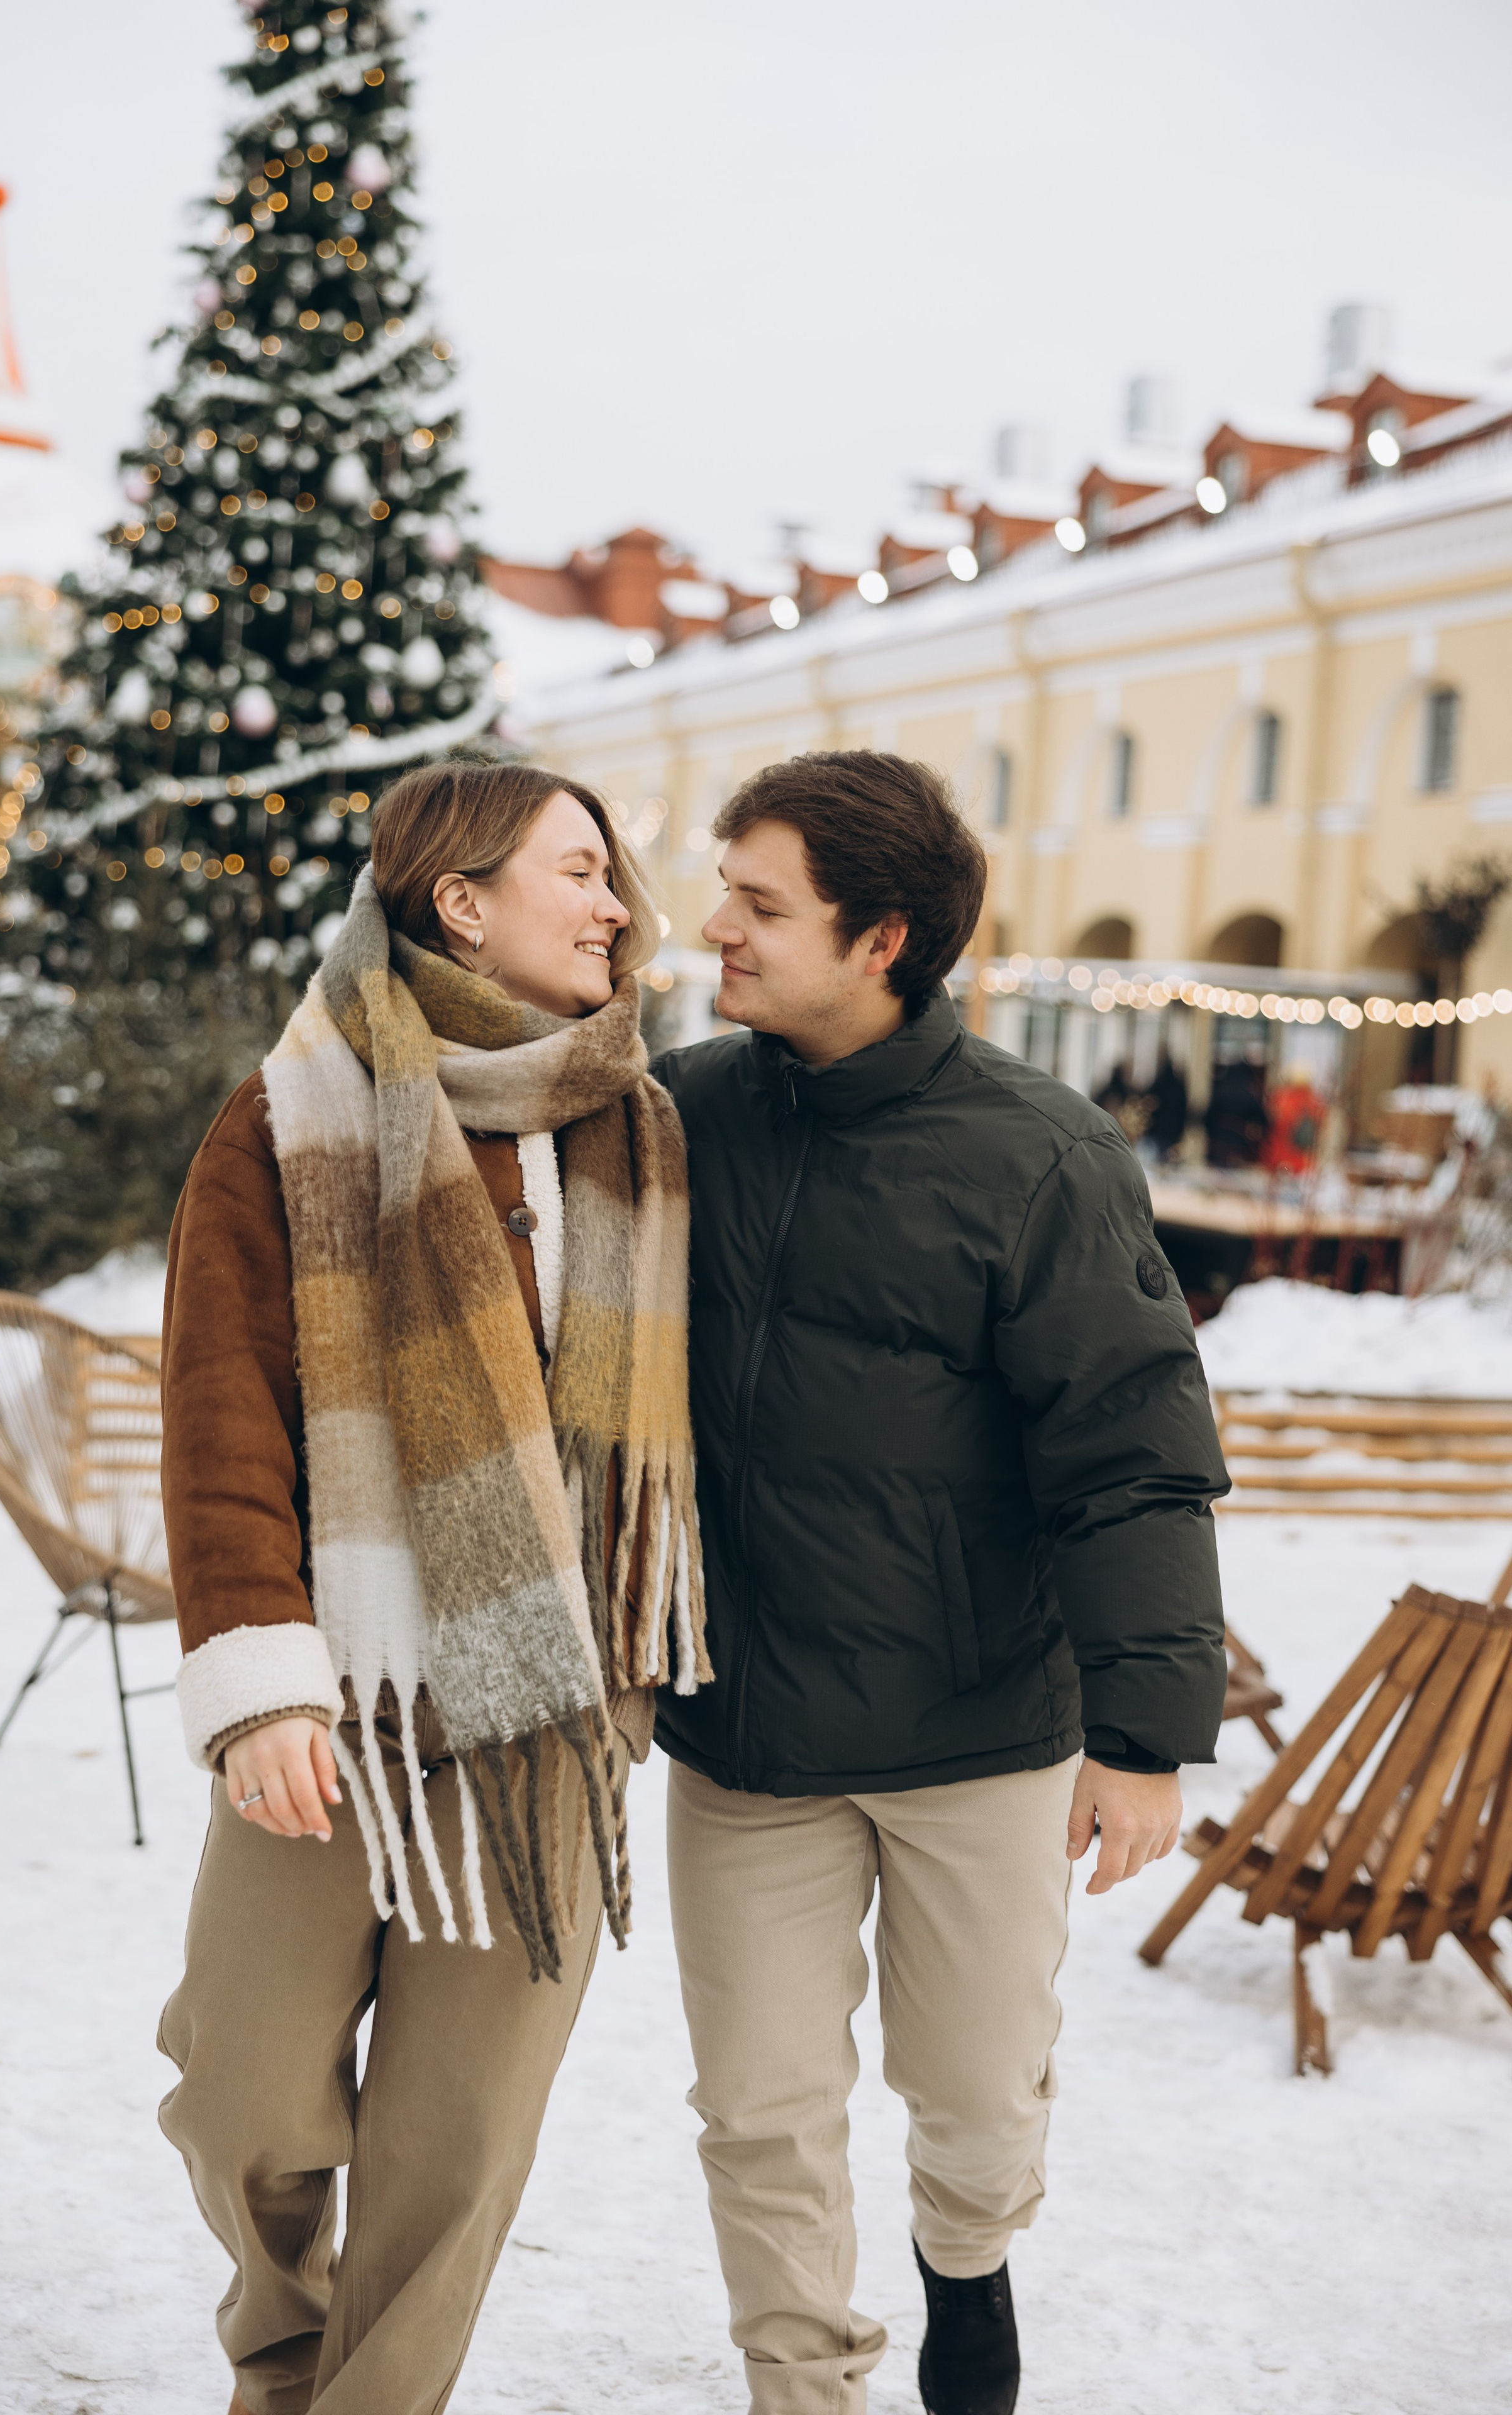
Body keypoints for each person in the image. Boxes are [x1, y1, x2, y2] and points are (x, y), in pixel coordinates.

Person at [650, 751, 1228, 2415]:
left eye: (759, 904)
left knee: (974, 2091)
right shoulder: (680, 1117)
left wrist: (1144, 1736)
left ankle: (968, 2262)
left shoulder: (1041, 1156)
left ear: (880, 939)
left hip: (975, 1730)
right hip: (747, 1726)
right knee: (757, 2106)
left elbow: (1131, 1454)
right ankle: (801, 2382)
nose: (717, 927)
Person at [156, 763, 708, 2415]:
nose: (614, 904)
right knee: (241, 2093)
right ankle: (281, 2349)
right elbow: (221, 1411)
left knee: (455, 2142)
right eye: (578, 871)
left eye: (612, 874)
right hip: (344, 1693)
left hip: (558, 1699)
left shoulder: (640, 1123)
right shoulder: (289, 1112)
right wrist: (259, 1680)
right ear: (460, 902)